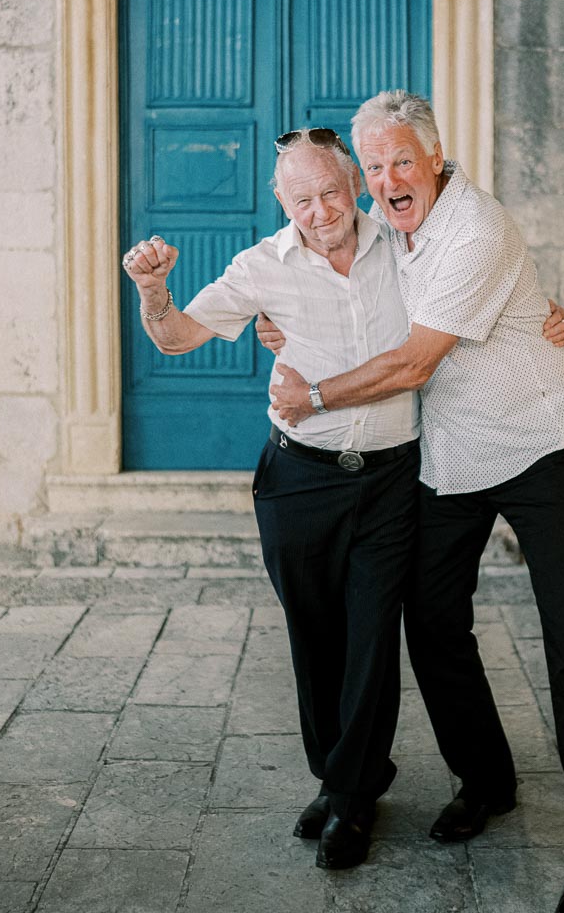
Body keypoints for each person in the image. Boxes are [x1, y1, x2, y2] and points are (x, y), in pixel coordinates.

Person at [268, 91, 564, 913]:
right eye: (375, 167)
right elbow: (324, 273)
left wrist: (312, 394)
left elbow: (409, 362)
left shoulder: (477, 228)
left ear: (435, 158)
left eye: (402, 159)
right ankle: (489, 780)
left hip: (540, 448)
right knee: (430, 620)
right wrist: (277, 322)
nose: (388, 178)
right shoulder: (385, 232)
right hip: (453, 460)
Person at [122, 129, 421, 870]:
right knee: (315, 636)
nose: (320, 211)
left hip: (391, 477)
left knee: (373, 637)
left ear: (353, 180)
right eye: (301, 199)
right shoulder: (262, 267)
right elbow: (177, 338)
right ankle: (339, 776)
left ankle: (351, 801)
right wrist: (154, 291)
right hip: (300, 480)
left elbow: (471, 295)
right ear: (280, 202)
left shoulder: (410, 247)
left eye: (329, 191)